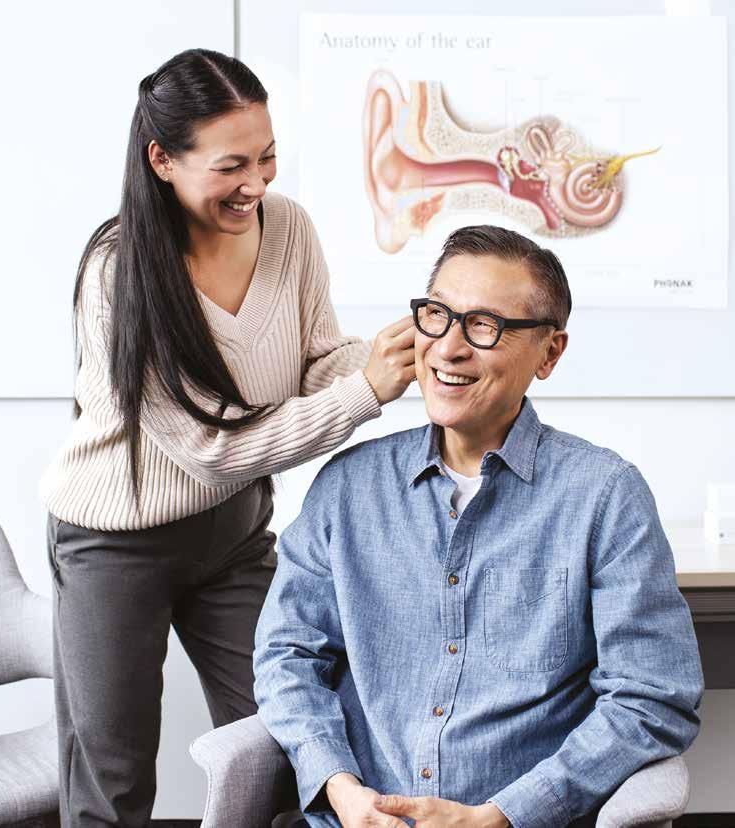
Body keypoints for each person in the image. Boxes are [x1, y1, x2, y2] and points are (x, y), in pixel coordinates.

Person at [38, 48, 415, 827]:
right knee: (111, 780)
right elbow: (211, 450)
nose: (257, 183)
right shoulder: (118, 271)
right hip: (115, 543)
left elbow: (316, 360)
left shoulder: (290, 229)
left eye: (267, 157)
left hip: (235, 535)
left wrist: (385, 357)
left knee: (290, 740)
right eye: (231, 166)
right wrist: (365, 391)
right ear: (163, 160)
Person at [254, 225, 704, 828]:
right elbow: (287, 655)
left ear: (549, 353)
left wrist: (503, 815)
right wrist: (339, 788)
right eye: (437, 315)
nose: (448, 348)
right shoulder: (347, 487)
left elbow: (652, 697)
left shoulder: (604, 496)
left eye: (484, 325)